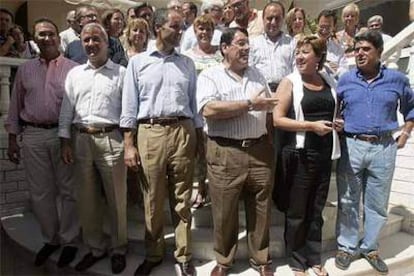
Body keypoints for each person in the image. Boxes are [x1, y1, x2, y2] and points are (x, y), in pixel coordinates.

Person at [120, 8, 202, 276]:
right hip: (150, 132)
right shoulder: (138, 63)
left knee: (182, 198)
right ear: (158, 28)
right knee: (152, 198)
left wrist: (198, 138)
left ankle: (184, 255)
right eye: (175, 28)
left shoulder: (187, 63)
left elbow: (193, 104)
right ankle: (154, 253)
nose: (180, 33)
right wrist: (129, 144)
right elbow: (129, 106)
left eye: (181, 28)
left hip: (183, 130)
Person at [197, 27, 277, 276]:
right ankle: (224, 260)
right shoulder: (210, 76)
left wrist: (269, 143)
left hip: (260, 150)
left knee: (261, 209)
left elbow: (269, 112)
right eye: (240, 44)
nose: (246, 49)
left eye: (248, 44)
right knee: (224, 210)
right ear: (224, 48)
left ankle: (260, 258)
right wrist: (250, 104)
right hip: (226, 152)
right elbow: (209, 110)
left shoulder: (258, 75)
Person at [335, 30, 414, 275]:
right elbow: (336, 109)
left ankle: (369, 247)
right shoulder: (345, 80)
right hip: (352, 145)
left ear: (379, 52)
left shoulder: (397, 79)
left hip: (384, 147)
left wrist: (405, 133)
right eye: (357, 49)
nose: (359, 53)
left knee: (377, 203)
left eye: (366, 49)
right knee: (348, 200)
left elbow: (412, 107)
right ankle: (347, 246)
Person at [5, 17, 79, 268]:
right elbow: (14, 106)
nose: (46, 38)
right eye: (41, 34)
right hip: (33, 135)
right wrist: (12, 139)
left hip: (64, 136)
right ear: (34, 40)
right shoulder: (26, 69)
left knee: (68, 190)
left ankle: (69, 240)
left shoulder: (73, 69)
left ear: (58, 37)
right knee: (40, 192)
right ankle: (51, 239)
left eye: (50, 33)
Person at [59, 22, 128, 274]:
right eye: (86, 40)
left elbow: (128, 113)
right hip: (81, 141)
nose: (90, 44)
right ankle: (95, 248)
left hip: (111, 139)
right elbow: (67, 110)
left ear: (106, 42)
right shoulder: (75, 74)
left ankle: (119, 248)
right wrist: (65, 140)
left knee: (116, 199)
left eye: (96, 39)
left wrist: (129, 143)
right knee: (86, 200)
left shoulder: (121, 74)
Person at [273, 35, 342, 276]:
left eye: (305, 52)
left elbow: (332, 110)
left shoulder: (327, 79)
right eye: (298, 53)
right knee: (298, 212)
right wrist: (310, 127)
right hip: (300, 155)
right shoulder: (290, 82)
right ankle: (296, 260)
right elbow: (277, 119)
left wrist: (337, 123)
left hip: (324, 155)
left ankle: (314, 257)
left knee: (316, 211)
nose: (299, 57)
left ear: (319, 58)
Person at [183, 14, 222, 208]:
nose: (204, 33)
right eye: (201, 29)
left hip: (216, 111)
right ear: (195, 31)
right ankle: (198, 189)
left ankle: (213, 189)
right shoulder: (187, 55)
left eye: (208, 29)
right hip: (195, 110)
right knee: (197, 151)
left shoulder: (220, 54)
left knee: (213, 151)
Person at [316, 9, 348, 78]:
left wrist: (338, 69)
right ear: (317, 24)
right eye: (322, 26)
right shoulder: (308, 43)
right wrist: (326, 66)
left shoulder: (338, 47)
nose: (324, 30)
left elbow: (345, 70)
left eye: (328, 27)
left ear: (333, 27)